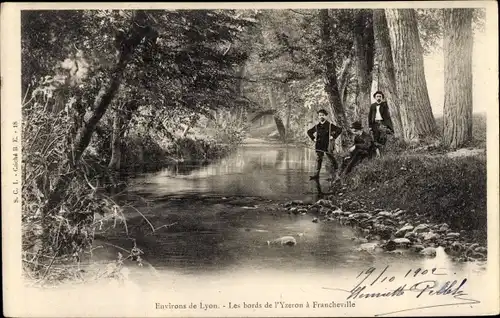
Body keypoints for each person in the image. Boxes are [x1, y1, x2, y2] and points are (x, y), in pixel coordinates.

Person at [306, 109, 342, 180]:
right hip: (319, 145)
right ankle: (316, 175)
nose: (321, 116)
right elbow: (309, 132)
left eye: (322, 115)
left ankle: (336, 175)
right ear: (318, 117)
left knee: (332, 159)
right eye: (319, 115)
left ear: (326, 116)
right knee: (319, 159)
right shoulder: (317, 126)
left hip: (327, 145)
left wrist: (333, 136)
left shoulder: (330, 125)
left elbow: (339, 130)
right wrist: (313, 139)